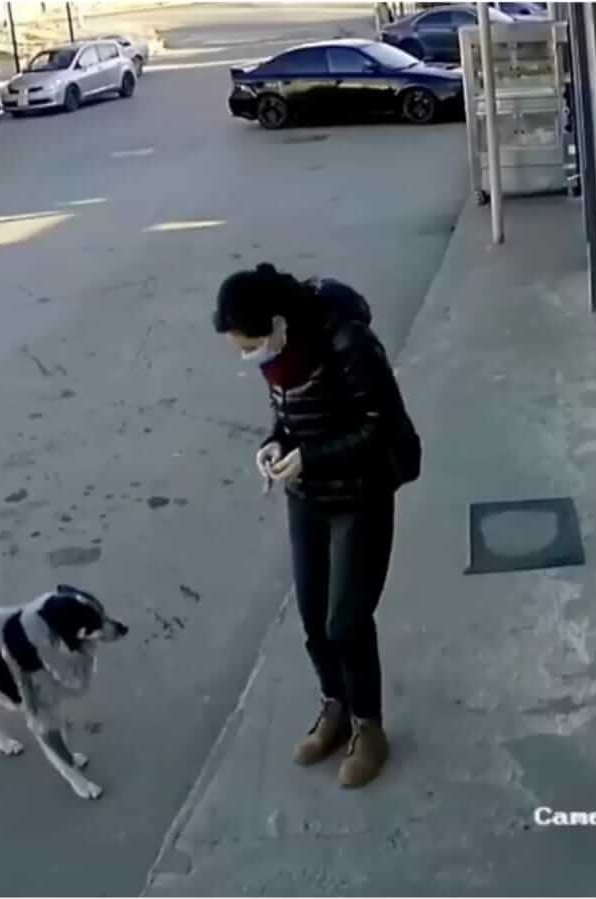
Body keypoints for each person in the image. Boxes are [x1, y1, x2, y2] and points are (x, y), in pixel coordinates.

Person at [213, 263, 420, 789]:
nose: (250, 356)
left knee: (346, 621)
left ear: (280, 323)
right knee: (312, 618)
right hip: (307, 496)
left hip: (361, 494)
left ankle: (369, 729)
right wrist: (273, 447)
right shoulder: (280, 357)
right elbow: (289, 419)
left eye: (252, 344)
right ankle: (336, 707)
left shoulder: (348, 342)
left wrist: (311, 458)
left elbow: (380, 426)